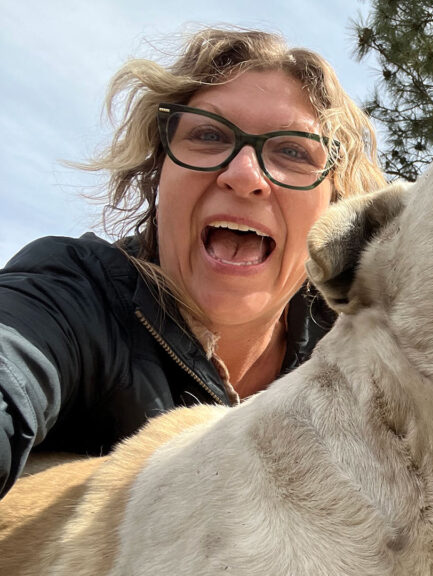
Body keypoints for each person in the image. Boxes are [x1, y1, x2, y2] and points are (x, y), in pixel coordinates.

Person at [0, 27, 386, 498]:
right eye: (208, 134)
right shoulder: (74, 292)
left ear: (334, 205)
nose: (245, 175)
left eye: (292, 151)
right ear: (158, 174)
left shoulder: (360, 350)